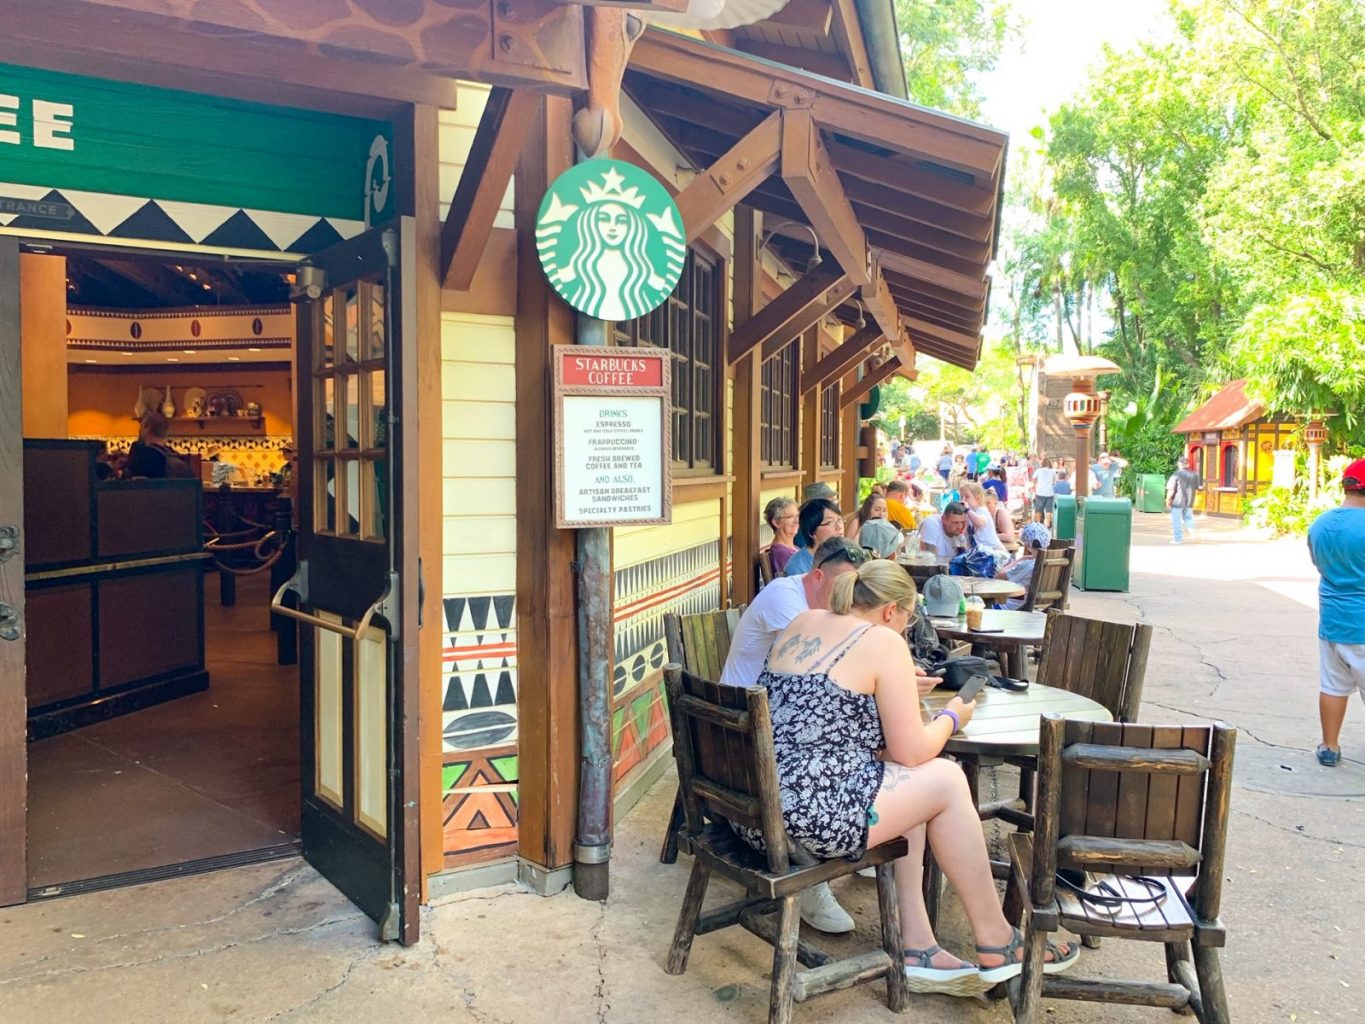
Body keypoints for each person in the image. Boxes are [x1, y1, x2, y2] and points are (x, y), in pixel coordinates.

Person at [733, 560, 1077, 993]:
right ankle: (998, 940)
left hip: (753, 809)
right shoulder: (882, 641)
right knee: (947, 779)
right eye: (909, 621)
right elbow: (911, 749)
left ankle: (917, 946)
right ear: (891, 611)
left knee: (909, 785)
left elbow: (825, 714)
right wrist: (953, 716)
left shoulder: (805, 619)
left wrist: (892, 689)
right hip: (803, 821)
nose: (906, 631)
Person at [719, 538, 870, 933]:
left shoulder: (814, 605)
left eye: (855, 589)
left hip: (768, 723)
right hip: (740, 735)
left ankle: (858, 837)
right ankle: (811, 872)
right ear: (817, 575)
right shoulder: (786, 600)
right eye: (841, 586)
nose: (847, 597)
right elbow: (827, 665)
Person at [1308, 459, 1365, 767]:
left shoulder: (1321, 524)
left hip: (1332, 622)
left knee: (1332, 686)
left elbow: (1319, 565)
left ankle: (1329, 746)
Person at [782, 498, 844, 577]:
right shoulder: (798, 569)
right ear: (812, 533)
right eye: (830, 522)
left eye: (839, 520)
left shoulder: (843, 553)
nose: (839, 527)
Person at [124, 411, 193, 479]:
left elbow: (126, 482)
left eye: (141, 427)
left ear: (147, 429)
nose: (139, 430)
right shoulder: (174, 455)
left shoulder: (139, 453)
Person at [999, 522, 1051, 610]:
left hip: (1011, 607)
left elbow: (998, 576)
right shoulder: (1050, 561)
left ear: (1027, 544)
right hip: (1044, 605)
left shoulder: (1027, 564)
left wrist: (1020, 559)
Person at [960, 482, 1006, 556]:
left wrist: (967, 510)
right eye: (961, 497)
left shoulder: (981, 510)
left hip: (995, 551)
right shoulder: (970, 514)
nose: (963, 499)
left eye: (967, 497)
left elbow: (979, 523)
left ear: (977, 499)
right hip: (983, 553)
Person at [1165, 455, 1203, 545]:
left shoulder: (1176, 475)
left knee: (1176, 520)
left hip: (1178, 502)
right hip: (1189, 502)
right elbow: (1196, 489)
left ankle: (1178, 539)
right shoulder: (1194, 475)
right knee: (1188, 518)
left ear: (1179, 464)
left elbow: (1171, 490)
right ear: (1188, 465)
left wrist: (1168, 500)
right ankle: (1193, 534)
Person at [763, 497, 800, 575]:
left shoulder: (792, 548)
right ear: (776, 522)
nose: (796, 521)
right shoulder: (782, 554)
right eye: (790, 517)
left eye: (797, 516)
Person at [1032, 457, 1057, 525]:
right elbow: (1055, 481)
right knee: (1049, 510)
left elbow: (1033, 478)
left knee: (1039, 509)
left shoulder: (1038, 470)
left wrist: (1036, 484)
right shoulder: (1053, 471)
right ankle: (1048, 524)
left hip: (1040, 492)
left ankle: (1039, 523)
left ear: (1042, 463)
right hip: (1049, 493)